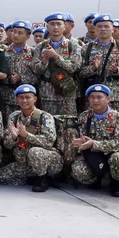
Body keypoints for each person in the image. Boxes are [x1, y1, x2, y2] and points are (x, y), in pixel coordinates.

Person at [30, 12, 83, 172]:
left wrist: (56, 57)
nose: (55, 27)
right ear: (47, 26)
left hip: (67, 94)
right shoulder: (40, 47)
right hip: (48, 95)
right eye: (52, 24)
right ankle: (51, 166)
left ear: (64, 26)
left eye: (59, 24)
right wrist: (45, 60)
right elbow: (35, 69)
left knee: (68, 131)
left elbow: (74, 67)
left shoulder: (73, 45)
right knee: (48, 129)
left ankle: (68, 169)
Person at [0, 85, 62, 192]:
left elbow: (49, 142)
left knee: (34, 152)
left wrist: (27, 135)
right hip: (26, 162)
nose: (24, 100)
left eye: (28, 97)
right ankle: (32, 178)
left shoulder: (44, 117)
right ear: (16, 99)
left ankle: (42, 180)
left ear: (35, 99)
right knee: (0, 176)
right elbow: (7, 145)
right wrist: (14, 137)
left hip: (46, 159)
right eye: (21, 97)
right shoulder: (14, 117)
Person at [71, 84, 119, 197]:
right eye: (92, 97)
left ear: (108, 99)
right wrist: (81, 142)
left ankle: (117, 184)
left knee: (118, 158)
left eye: (99, 97)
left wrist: (94, 144)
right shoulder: (84, 117)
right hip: (93, 155)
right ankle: (95, 179)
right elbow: (81, 136)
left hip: (112, 154)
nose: (95, 100)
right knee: (78, 170)